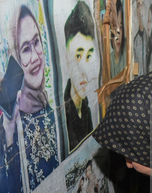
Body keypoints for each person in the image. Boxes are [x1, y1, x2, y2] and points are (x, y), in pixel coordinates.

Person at [0, 4, 60, 193]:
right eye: (25, 49)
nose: (35, 57)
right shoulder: (9, 120)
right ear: (15, 57)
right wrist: (10, 132)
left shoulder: (47, 103)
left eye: (36, 43)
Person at [64, 0, 97, 153]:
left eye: (88, 56)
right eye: (78, 56)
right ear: (67, 60)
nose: (84, 69)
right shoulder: (63, 117)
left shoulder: (86, 110)